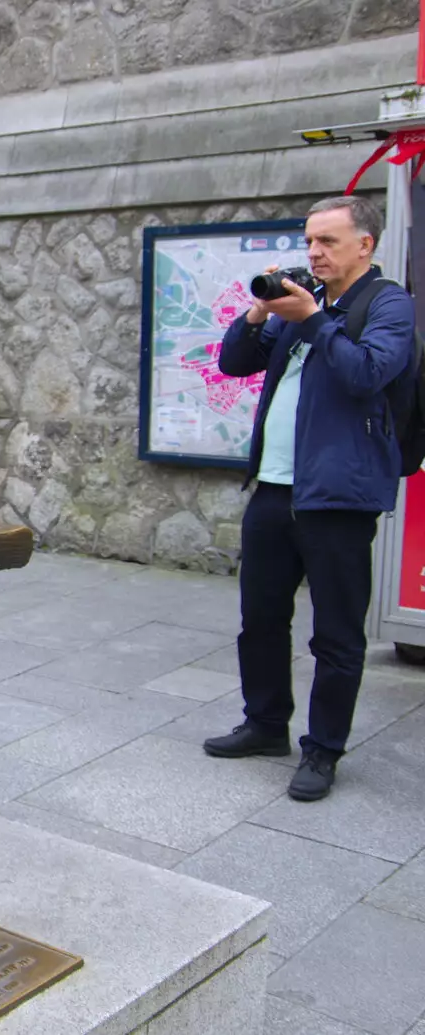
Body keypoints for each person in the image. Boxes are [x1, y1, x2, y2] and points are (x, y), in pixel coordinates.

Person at [206, 194, 418, 802]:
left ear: (365, 245)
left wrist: (313, 320)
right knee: (262, 618)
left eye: (327, 241)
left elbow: (367, 374)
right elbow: (234, 362)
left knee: (337, 635)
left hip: (340, 498)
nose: (314, 252)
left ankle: (322, 750)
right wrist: (258, 312)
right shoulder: (307, 303)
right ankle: (266, 725)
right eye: (309, 241)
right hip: (274, 489)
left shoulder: (389, 304)